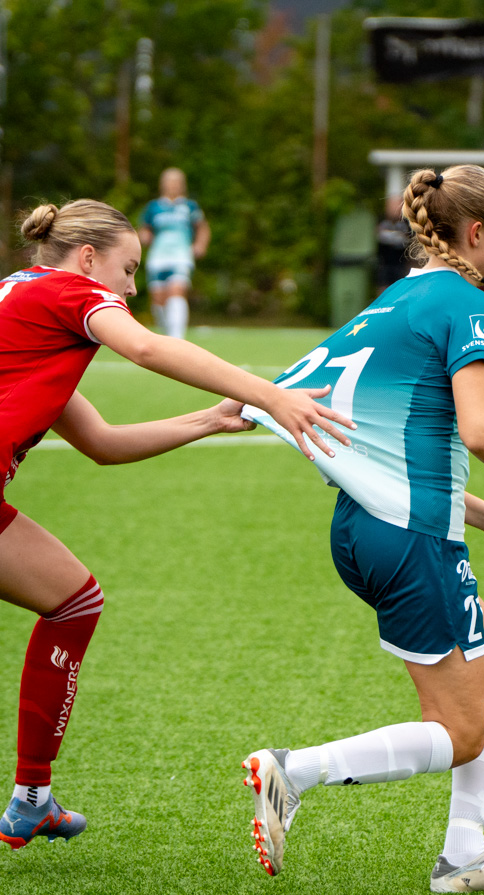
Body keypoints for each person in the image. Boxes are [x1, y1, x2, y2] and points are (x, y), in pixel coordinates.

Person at [241, 165, 484, 893]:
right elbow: (480, 432)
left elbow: (393, 445)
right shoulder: (469, 304)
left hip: (367, 524)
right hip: (409, 535)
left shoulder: (397, 297)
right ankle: (294, 770)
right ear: (475, 232)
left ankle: (464, 857)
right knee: (459, 731)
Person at [0, 199, 354, 851]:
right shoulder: (69, 292)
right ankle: (31, 795)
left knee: (74, 601)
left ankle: (32, 798)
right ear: (88, 259)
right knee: (74, 602)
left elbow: (102, 443)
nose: (134, 289)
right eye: (128, 270)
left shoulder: (26, 306)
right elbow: (145, 346)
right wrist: (272, 395)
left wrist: (210, 419)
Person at [138, 168, 209, 339]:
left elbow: (202, 227)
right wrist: (144, 237)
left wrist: (200, 245)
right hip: (158, 257)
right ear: (162, 185)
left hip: (181, 256)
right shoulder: (154, 207)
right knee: (158, 299)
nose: (173, 185)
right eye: (170, 182)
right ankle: (167, 334)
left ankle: (177, 338)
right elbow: (144, 229)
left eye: (177, 182)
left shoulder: (189, 206)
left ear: (183, 185)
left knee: (177, 290)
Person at [375, 196, 413, 294]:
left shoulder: (407, 223)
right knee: (383, 290)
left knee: (400, 289)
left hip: (400, 264)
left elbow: (407, 240)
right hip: (385, 264)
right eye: (392, 206)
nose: (394, 209)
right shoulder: (382, 221)